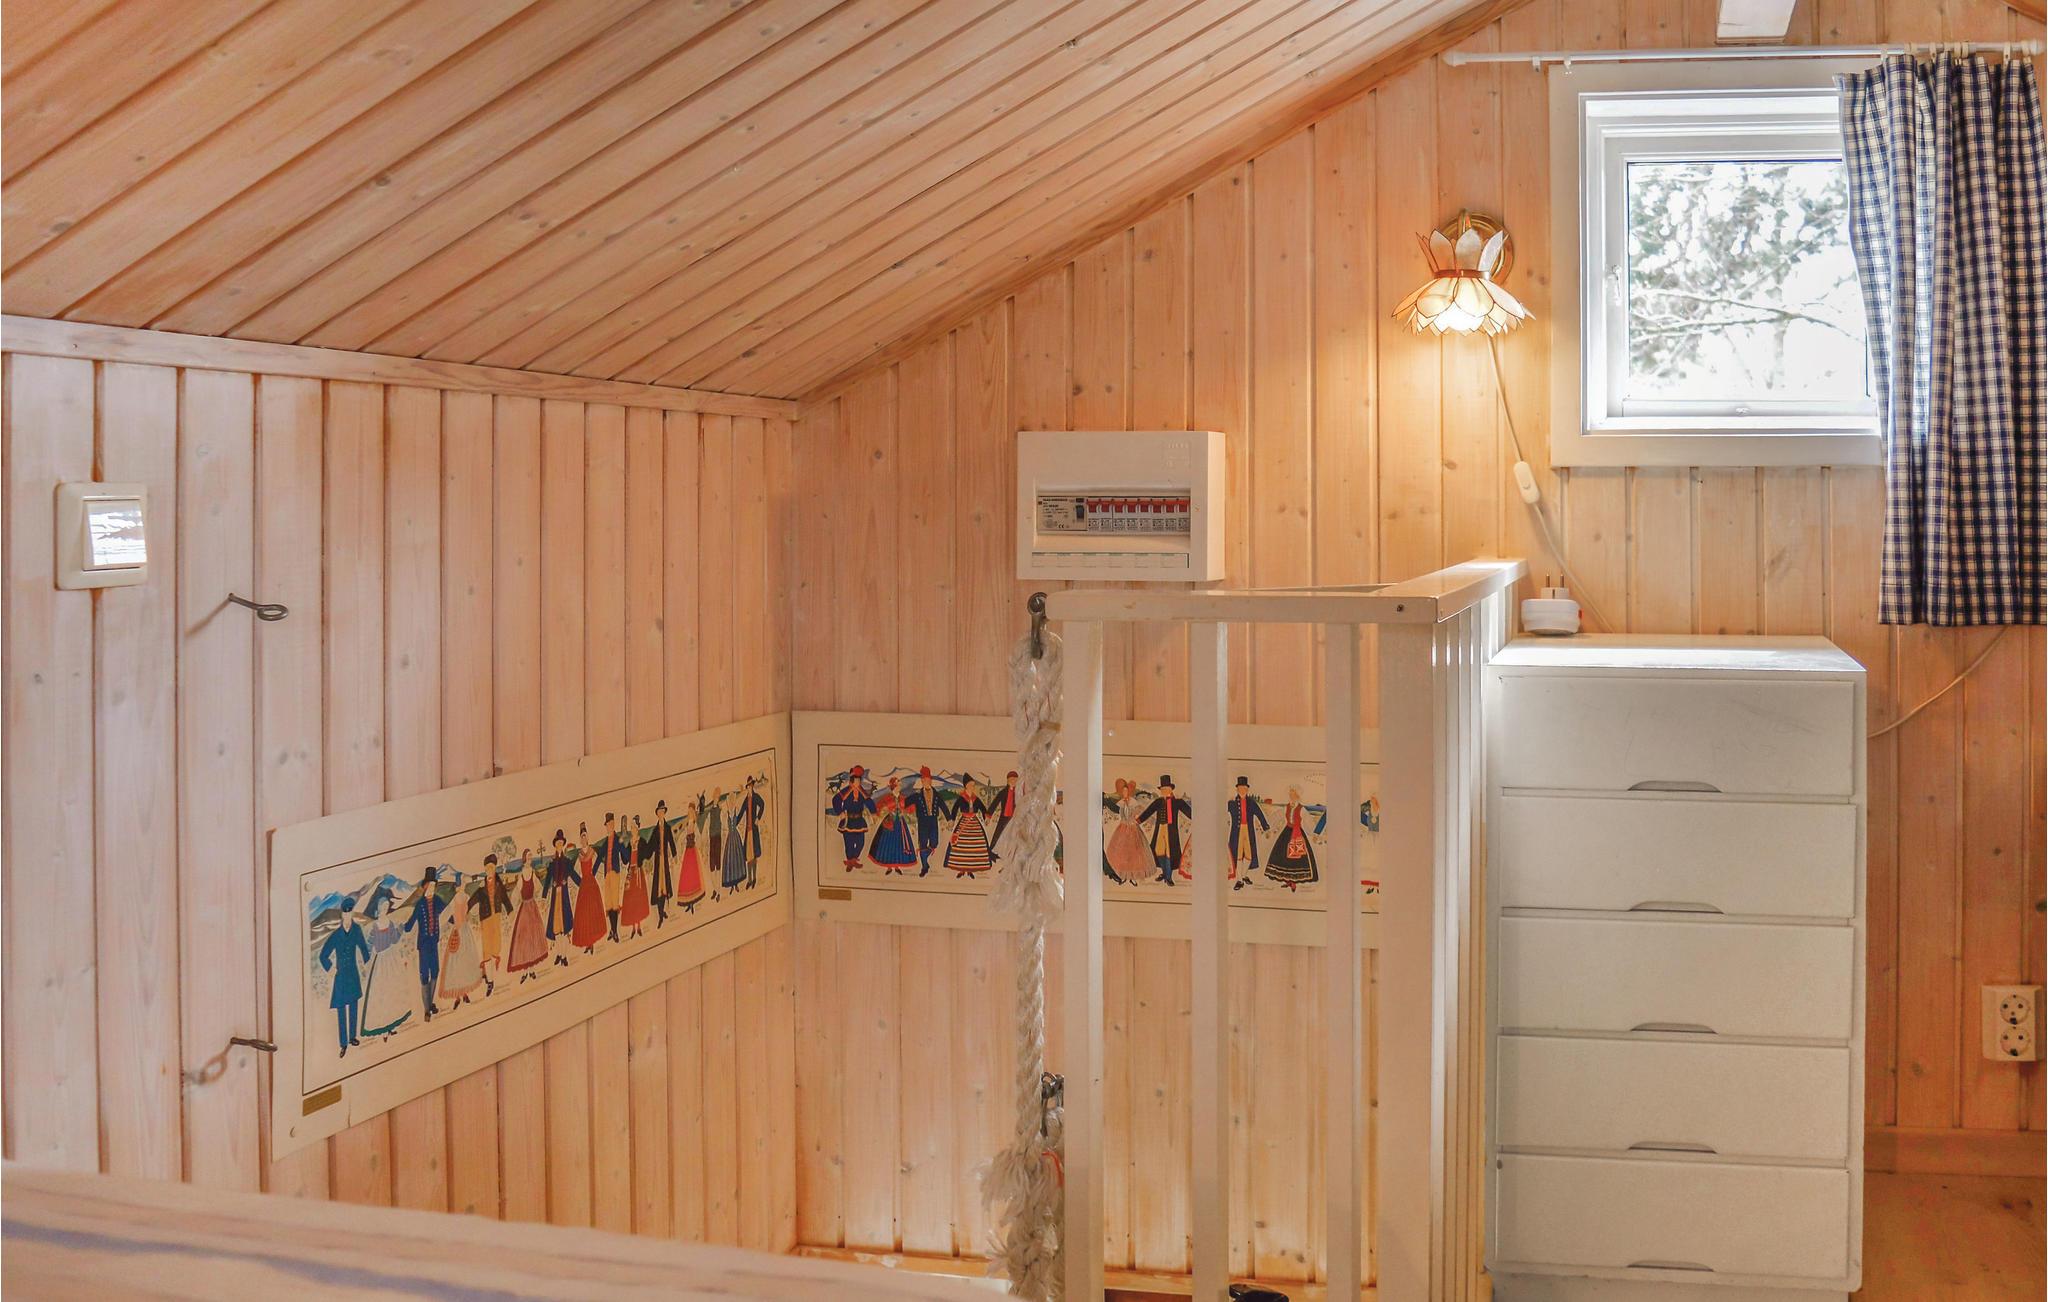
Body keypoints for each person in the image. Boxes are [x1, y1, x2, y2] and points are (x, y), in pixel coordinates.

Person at [360, 890, 420, 1038]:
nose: (385, 909)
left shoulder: (390, 922)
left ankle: (391, 1025)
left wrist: (400, 929)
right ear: (378, 909)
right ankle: (383, 1027)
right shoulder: (375, 926)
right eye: (383, 907)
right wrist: (366, 961)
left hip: (391, 958)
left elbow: (394, 939)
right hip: (380, 961)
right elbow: (369, 945)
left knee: (393, 990)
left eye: (387, 907)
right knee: (382, 993)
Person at [319, 898, 371, 1057]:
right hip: (340, 976)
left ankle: (352, 1037)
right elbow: (323, 955)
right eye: (345, 913)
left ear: (352, 913)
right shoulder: (336, 935)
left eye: (350, 913)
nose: (348, 916)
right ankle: (343, 1043)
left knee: (353, 1004)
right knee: (341, 1008)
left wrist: (367, 964)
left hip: (353, 973)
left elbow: (364, 948)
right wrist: (331, 968)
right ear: (342, 915)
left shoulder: (357, 930)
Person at [402, 866, 446, 1022]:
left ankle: (430, 1003)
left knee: (435, 972)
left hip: (434, 942)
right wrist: (403, 927)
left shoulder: (437, 901)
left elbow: (447, 910)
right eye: (430, 885)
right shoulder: (420, 904)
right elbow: (410, 923)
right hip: (423, 944)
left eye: (434, 885)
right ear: (425, 886)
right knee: (424, 975)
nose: (432, 888)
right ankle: (427, 1010)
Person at [438, 871, 485, 1008]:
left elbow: (473, 911)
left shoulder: (467, 897)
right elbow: (444, 916)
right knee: (456, 963)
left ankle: (464, 993)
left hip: (465, 931)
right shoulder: (454, 900)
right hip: (458, 932)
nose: (463, 885)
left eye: (464, 883)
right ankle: (458, 995)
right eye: (462, 883)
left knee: (466, 961)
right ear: (458, 886)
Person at [1264, 787, 1325, 890]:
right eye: (1290, 795)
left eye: (1293, 795)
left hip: (1298, 835)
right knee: (1283, 856)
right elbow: (1277, 817)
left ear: (1297, 796)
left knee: (1296, 858)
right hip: (1286, 833)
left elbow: (1308, 821)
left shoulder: (1302, 809)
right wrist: (1269, 829)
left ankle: (1293, 882)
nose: (1291, 797)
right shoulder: (1286, 807)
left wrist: (1314, 834)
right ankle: (1288, 880)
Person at [1136, 775, 1192, 886]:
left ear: (1171, 789)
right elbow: (1149, 811)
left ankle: (1168, 877)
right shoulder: (1158, 801)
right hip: (1160, 829)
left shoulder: (1178, 802)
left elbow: (1190, 813)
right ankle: (1165, 873)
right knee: (1158, 851)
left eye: (1166, 789)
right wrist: (1138, 820)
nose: (1164, 791)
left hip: (1171, 832)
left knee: (1169, 853)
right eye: (1162, 789)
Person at [471, 854, 512, 995]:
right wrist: (462, 912)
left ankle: (488, 973)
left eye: (492, 868)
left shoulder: (499, 884)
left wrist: (510, 911)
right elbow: (472, 900)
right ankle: (490, 981)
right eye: (487, 868)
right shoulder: (481, 887)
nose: (490, 870)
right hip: (485, 919)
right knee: (487, 950)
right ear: (485, 869)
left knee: (496, 947)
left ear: (495, 869)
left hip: (496, 917)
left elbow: (505, 899)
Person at [505, 856, 549, 983]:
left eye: (530, 857)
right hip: (524, 908)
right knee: (524, 940)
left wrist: (541, 899)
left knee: (533, 938)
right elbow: (515, 895)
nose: (530, 859)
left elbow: (539, 888)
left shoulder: (533, 874)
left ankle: (532, 970)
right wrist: (512, 910)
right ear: (524, 860)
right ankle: (525, 971)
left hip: (532, 907)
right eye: (528, 857)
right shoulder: (521, 876)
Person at [942, 776, 995, 878]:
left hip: (974, 822)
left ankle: (970, 869)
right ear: (966, 786)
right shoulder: (961, 798)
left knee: (975, 845)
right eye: (971, 785)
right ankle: (962, 869)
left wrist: (986, 817)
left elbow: (983, 808)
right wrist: (952, 820)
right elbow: (954, 809)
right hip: (964, 821)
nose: (973, 787)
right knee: (961, 846)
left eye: (973, 785)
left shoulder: (976, 798)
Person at [1102, 778, 1151, 885]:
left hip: (1133, 828)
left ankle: (1132, 877)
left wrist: (1135, 817)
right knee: (1122, 852)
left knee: (1134, 852)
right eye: (1123, 792)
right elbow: (1115, 810)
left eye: (1126, 791)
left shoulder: (1133, 802)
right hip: (1123, 828)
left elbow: (1139, 811)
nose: (1124, 793)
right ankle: (1124, 875)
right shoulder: (1120, 803)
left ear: (1129, 792)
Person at [866, 776, 918, 874]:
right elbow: (878, 806)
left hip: (900, 823)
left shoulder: (903, 798)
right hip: (889, 823)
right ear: (894, 786)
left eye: (900, 785)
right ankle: (889, 866)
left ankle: (897, 865)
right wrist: (878, 813)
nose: (900, 786)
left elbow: (911, 808)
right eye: (898, 785)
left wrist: (907, 810)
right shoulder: (887, 798)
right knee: (888, 844)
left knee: (899, 844)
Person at [543, 829, 578, 967]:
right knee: (556, 928)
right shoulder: (552, 863)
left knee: (564, 928)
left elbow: (573, 874)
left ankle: (564, 956)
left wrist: (583, 883)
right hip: (554, 898)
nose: (559, 845)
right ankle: (558, 954)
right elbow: (547, 880)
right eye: (557, 843)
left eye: (561, 843)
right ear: (555, 845)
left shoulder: (567, 861)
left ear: (563, 845)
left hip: (563, 898)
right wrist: (544, 896)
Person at [571, 823, 608, 954]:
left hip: (591, 884)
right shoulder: (579, 855)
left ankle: (592, 943)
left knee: (592, 913)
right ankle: (588, 943)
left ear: (587, 838)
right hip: (584, 886)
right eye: (581, 837)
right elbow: (575, 871)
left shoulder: (592, 851)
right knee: (584, 915)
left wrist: (594, 874)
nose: (583, 839)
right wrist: (579, 882)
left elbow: (597, 863)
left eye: (585, 837)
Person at [1227, 776, 1269, 890]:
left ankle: (1243, 875)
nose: (1242, 790)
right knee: (1238, 855)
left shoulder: (1251, 802)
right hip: (1236, 832)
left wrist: (1265, 827)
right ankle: (1239, 880)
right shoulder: (1232, 802)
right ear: (1237, 789)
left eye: (1244, 788)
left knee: (1249, 856)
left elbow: (1259, 814)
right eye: (1240, 788)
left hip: (1248, 831)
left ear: (1247, 789)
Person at [827, 768, 874, 870]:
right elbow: (835, 799)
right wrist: (840, 812)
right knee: (849, 843)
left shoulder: (862, 791)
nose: (858, 783)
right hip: (848, 821)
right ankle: (850, 862)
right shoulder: (846, 791)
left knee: (861, 843)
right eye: (856, 781)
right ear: (852, 781)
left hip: (859, 821)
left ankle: (854, 859)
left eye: (859, 781)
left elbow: (869, 801)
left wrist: (874, 812)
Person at [903, 767, 947, 876]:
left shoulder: (936, 794)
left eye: (929, 780)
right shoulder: (917, 795)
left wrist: (949, 818)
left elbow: (943, 806)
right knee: (922, 844)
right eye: (925, 780)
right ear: (922, 781)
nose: (927, 782)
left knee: (934, 843)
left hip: (933, 821)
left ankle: (924, 856)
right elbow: (904, 803)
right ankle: (924, 866)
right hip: (922, 822)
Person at [645, 801, 678, 926]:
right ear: (657, 814)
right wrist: (644, 857)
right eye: (659, 812)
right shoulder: (655, 830)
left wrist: (674, 855)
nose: (661, 814)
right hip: (658, 862)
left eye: (663, 812)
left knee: (665, 888)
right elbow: (650, 847)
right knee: (659, 888)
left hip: (665, 862)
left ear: (664, 813)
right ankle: (660, 915)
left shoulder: (668, 828)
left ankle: (662, 911)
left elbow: (671, 842)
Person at [595, 813, 625, 942]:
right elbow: (598, 858)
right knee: (608, 903)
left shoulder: (618, 839)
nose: (610, 826)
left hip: (615, 873)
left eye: (612, 824)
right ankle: (612, 930)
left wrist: (623, 844)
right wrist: (592, 873)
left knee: (614, 903)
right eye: (608, 824)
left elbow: (626, 857)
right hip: (607, 875)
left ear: (614, 824)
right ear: (606, 826)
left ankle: (615, 931)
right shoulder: (606, 842)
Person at [619, 817, 651, 939]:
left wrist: (641, 860)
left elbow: (647, 854)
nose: (632, 829)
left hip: (638, 872)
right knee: (630, 900)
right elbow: (625, 860)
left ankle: (639, 927)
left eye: (634, 827)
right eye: (631, 828)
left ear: (637, 828)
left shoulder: (641, 841)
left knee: (639, 899)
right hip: (630, 873)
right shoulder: (630, 843)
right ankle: (633, 927)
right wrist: (621, 844)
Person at [735, 775, 767, 888]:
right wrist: (734, 824)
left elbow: (762, 805)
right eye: (747, 786)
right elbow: (741, 813)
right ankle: (749, 880)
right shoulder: (746, 800)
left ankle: (754, 879)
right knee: (748, 857)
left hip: (754, 831)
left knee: (754, 856)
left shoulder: (756, 797)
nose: (749, 788)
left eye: (750, 786)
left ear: (752, 786)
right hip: (747, 832)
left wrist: (758, 817)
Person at [675, 805, 707, 914]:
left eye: (691, 812)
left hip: (693, 852)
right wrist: (679, 852)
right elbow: (680, 839)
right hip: (687, 853)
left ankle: (693, 903)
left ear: (694, 813)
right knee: (686, 878)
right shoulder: (686, 826)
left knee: (694, 877)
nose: (690, 814)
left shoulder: (695, 825)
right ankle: (688, 903)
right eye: (688, 812)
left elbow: (699, 838)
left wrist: (701, 850)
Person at [988, 771, 1021, 855]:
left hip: (1015, 817)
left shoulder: (1019, 792)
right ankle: (991, 852)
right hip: (1004, 816)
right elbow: (995, 802)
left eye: (1015, 780)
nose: (1013, 782)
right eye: (1011, 780)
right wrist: (989, 815)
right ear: (1008, 781)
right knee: (998, 833)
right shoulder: (1003, 792)